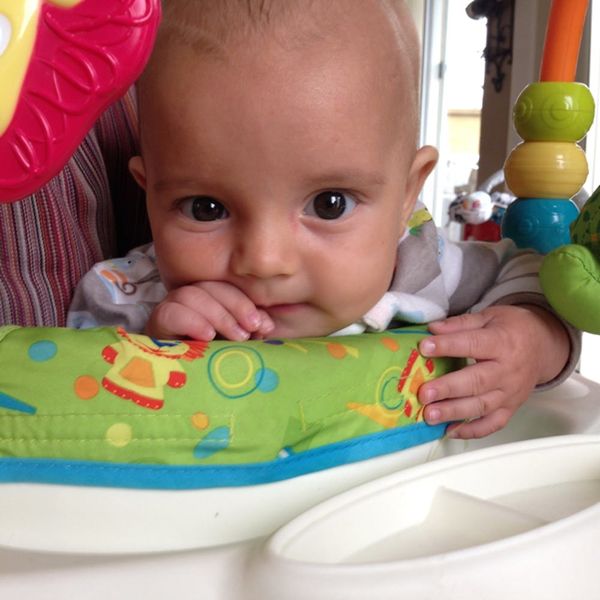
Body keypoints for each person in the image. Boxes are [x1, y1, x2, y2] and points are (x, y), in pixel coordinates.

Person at [68, 0, 577, 440]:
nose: (265, 260)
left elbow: (534, 275)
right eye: (206, 208)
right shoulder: (128, 298)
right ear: (150, 194)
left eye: (329, 203)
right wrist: (154, 345)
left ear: (407, 193)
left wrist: (532, 342)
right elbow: (69, 400)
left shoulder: (423, 265)